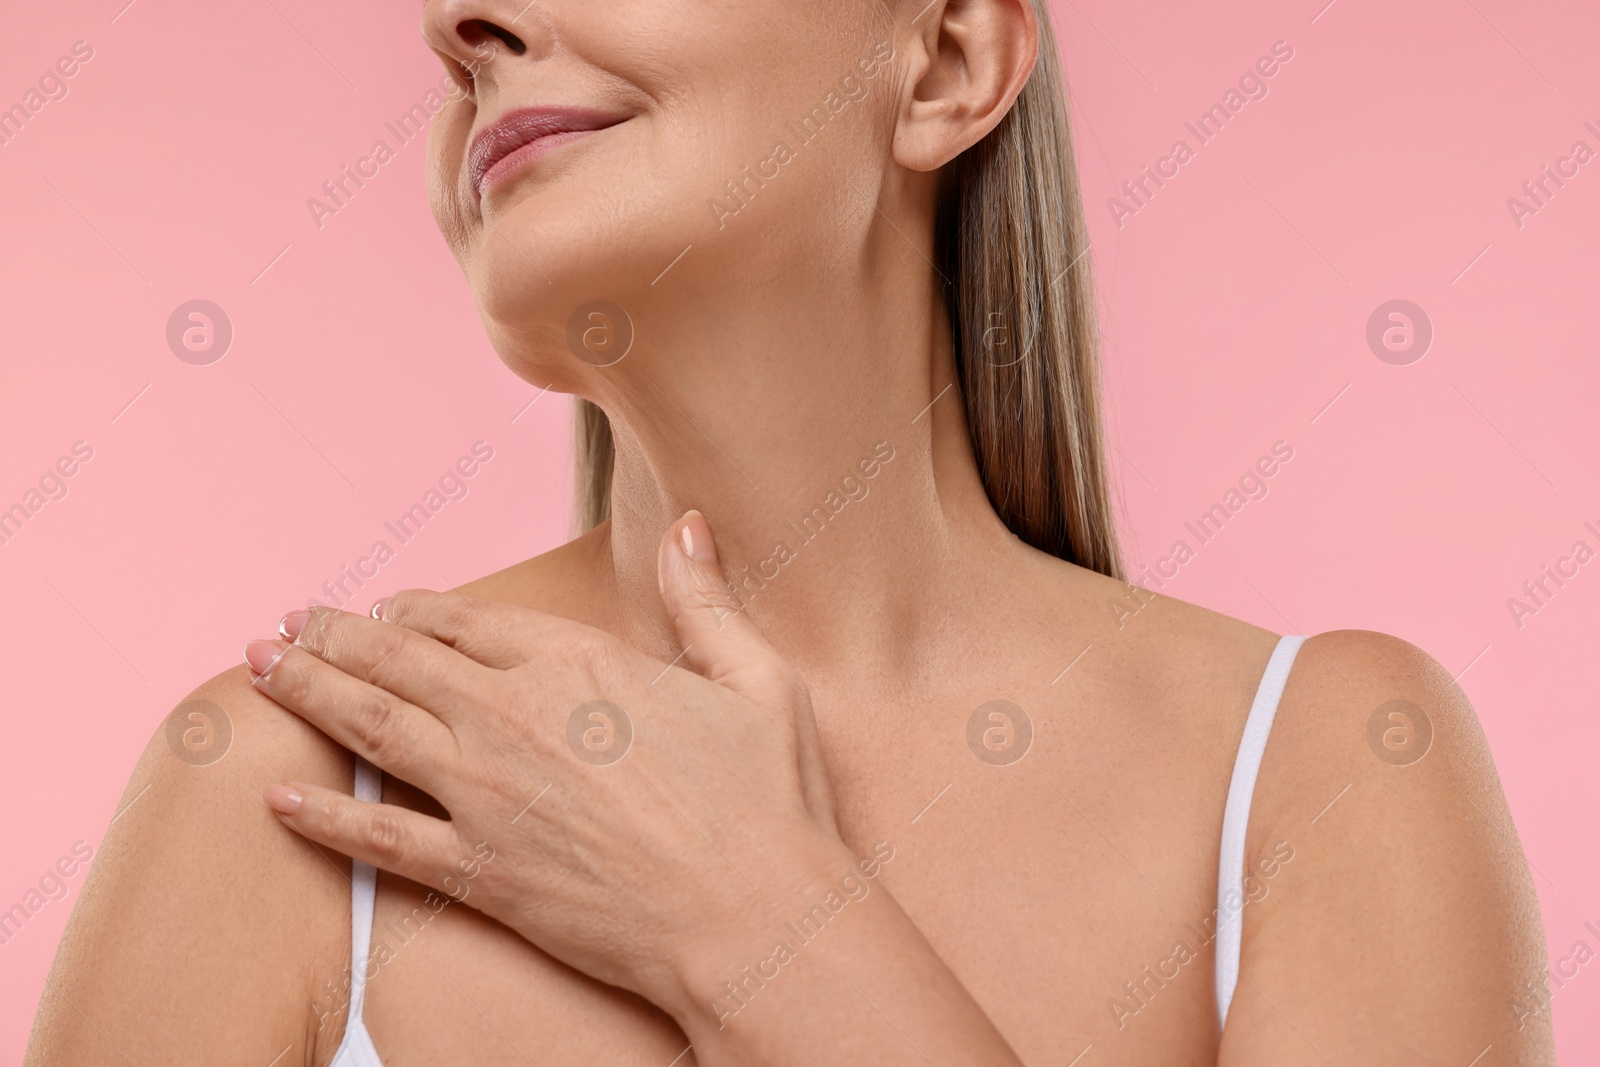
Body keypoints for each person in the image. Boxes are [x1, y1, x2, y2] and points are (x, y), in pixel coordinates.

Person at [26, 0, 1554, 1064]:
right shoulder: (291, 795)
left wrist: (754, 918)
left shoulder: (1334, 772)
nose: (457, 23)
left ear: (947, 62)